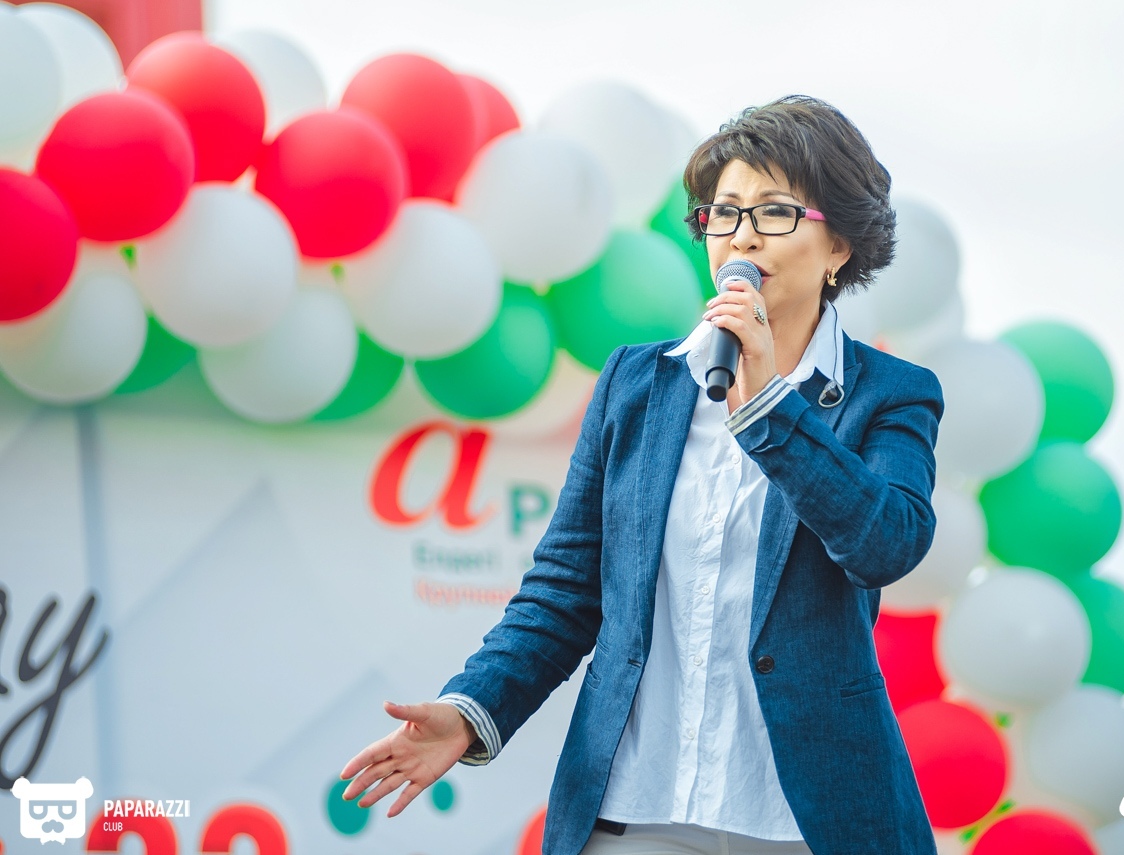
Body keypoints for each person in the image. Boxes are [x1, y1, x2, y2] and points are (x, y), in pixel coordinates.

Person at [340, 95, 944, 855]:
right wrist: (471, 710)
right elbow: (565, 589)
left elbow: (885, 544)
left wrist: (769, 408)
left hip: (808, 819)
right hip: (636, 806)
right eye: (724, 213)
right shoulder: (638, 383)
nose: (742, 235)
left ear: (840, 248)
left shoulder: (890, 393)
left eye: (775, 212)